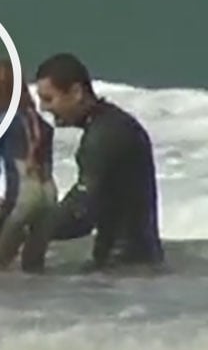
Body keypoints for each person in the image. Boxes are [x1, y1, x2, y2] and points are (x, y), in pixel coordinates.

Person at [33, 52, 164, 272]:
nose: (44, 108)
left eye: (49, 99)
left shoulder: (103, 137)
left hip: (123, 273)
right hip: (139, 264)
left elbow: (82, 213)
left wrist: (32, 229)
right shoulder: (114, 123)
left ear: (76, 93)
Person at [0, 58, 57, 273]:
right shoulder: (42, 124)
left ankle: (1, 306)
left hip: (22, 195)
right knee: (34, 265)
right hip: (49, 194)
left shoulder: (0, 122)